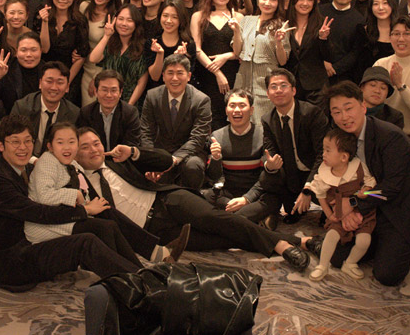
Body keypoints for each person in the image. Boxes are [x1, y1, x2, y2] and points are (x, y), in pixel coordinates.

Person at [74, 127, 317, 270]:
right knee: (219, 239)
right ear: (74, 152)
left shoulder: (116, 161)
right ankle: (301, 241)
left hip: (167, 201)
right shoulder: (77, 183)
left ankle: (284, 246)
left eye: (96, 143)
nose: (94, 150)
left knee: (219, 220)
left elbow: (165, 161)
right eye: (85, 147)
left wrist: (134, 152)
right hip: (154, 231)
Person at [296, 81, 410, 287]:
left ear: (363, 106)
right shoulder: (342, 138)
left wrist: (353, 205)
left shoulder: (390, 136)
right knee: (337, 257)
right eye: (336, 112)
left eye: (349, 108)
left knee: (387, 275)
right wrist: (347, 209)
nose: (344, 117)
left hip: (402, 207)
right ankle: (375, 242)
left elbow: (391, 188)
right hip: (372, 207)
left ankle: (404, 243)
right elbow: (330, 168)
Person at [0, 115, 140, 292]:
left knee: (104, 223)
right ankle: (140, 287)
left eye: (27, 141)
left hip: (35, 236)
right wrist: (84, 210)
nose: (23, 147)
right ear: (1, 145)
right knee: (85, 242)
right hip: (15, 260)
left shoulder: (25, 167)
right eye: (15, 142)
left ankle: (141, 275)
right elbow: (38, 212)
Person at [23, 123, 143, 268]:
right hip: (45, 225)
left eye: (71, 142)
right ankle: (127, 274)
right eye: (60, 143)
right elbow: (44, 195)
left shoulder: (74, 165)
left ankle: (138, 271)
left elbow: (83, 193)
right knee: (102, 227)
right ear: (50, 146)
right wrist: (76, 195)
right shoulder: (47, 161)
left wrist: (87, 203)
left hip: (64, 217)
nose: (67, 147)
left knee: (108, 219)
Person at [307, 128, 376, 281]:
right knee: (331, 236)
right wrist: (329, 215)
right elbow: (320, 195)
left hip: (362, 212)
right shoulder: (324, 174)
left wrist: (365, 190)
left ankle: (350, 263)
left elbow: (370, 182)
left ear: (344, 157)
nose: (323, 154)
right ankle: (322, 266)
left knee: (364, 240)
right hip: (338, 212)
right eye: (323, 150)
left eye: (328, 150)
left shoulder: (358, 168)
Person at [261, 68, 329, 224]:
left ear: (293, 90)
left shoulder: (312, 113)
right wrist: (269, 164)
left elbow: (323, 154)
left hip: (315, 170)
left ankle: (327, 207)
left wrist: (308, 188)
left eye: (283, 85)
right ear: (268, 94)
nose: (278, 90)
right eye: (273, 87)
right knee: (267, 176)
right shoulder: (267, 119)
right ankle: (284, 207)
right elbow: (268, 150)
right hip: (291, 174)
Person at [204, 89, 281, 225]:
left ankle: (234, 219)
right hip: (229, 194)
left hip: (256, 193)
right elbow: (213, 177)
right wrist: (216, 158)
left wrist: (247, 199)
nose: (237, 110)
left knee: (273, 198)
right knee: (207, 196)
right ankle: (251, 219)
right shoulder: (217, 136)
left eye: (242, 105)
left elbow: (265, 179)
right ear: (226, 110)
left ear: (251, 110)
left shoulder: (264, 135)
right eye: (232, 106)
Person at [139, 54, 212, 189]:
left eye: (180, 73)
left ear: (188, 76)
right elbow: (146, 132)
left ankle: (192, 198)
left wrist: (174, 159)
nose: (174, 78)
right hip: (162, 152)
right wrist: (152, 160)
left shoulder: (201, 100)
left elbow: (198, 138)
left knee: (193, 166)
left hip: (190, 153)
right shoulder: (152, 96)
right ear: (163, 76)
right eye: (170, 73)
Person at [191, 0, 243, 130]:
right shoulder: (198, 16)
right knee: (208, 119)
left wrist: (226, 55)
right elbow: (197, 49)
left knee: (231, 117)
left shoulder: (239, 17)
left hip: (232, 74)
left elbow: (240, 51)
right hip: (206, 74)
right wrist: (217, 72)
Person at [235, 0, 289, 121]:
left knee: (263, 125)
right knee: (241, 124)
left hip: (266, 85)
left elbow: (282, 61)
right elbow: (237, 51)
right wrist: (235, 31)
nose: (267, 3)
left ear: (278, 2)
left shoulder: (281, 25)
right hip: (243, 81)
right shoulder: (246, 20)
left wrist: (279, 42)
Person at [35, 0, 90, 104]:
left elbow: (81, 56)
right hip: (45, 75)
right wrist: (44, 22)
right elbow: (44, 49)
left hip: (71, 76)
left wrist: (65, 82)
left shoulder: (80, 20)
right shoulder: (41, 14)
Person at [9, 61, 81, 156]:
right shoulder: (22, 107)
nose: (54, 87)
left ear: (67, 87)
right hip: (25, 159)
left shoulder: (74, 113)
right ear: (40, 83)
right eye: (49, 81)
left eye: (60, 82)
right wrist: (33, 161)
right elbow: (12, 141)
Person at [88, 4, 151, 106]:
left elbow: (141, 83)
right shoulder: (110, 42)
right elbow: (93, 59)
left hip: (132, 102)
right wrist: (106, 36)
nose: (124, 24)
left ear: (136, 24)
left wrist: (129, 106)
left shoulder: (143, 47)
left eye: (129, 20)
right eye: (121, 19)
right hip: (107, 98)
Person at [287, 0, 332, 105]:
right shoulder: (285, 22)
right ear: (294, 0)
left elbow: (328, 56)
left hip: (316, 87)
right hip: (292, 86)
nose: (305, 3)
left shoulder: (321, 23)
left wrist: (323, 38)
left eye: (310, 0)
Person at [80, 0, 121, 106]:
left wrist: (98, 77)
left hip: (98, 70)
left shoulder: (114, 16)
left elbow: (113, 52)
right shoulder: (83, 7)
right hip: (81, 66)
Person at [318, 0, 366, 84]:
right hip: (318, 71)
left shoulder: (359, 19)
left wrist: (335, 68)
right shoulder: (319, 12)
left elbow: (356, 51)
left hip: (345, 76)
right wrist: (323, 61)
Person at [78, 70, 142, 151]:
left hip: (121, 157)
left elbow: (132, 145)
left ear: (120, 93)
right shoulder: (86, 113)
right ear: (96, 92)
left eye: (113, 90)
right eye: (104, 90)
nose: (109, 95)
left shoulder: (130, 113)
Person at [147, 0, 195, 92]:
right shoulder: (152, 42)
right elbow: (155, 77)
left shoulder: (188, 44)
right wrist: (160, 54)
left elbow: (186, 78)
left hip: (182, 93)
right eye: (165, 16)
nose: (168, 21)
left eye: (174, 17)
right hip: (157, 93)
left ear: (181, 19)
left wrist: (178, 58)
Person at [362, 0, 397, 72]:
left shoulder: (400, 32)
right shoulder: (364, 31)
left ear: (392, 5)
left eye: (385, 3)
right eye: (376, 4)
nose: (381, 8)